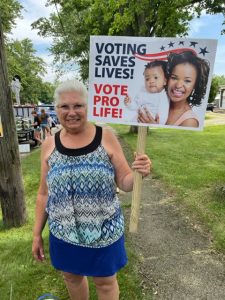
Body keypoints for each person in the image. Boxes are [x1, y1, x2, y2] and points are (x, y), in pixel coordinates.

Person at [32, 79, 151, 300]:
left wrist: (138, 173)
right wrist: (37, 233)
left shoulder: (105, 136)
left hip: (104, 230)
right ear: (56, 109)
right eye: (64, 107)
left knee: (105, 283)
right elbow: (43, 193)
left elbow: (124, 181)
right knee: (72, 278)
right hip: (63, 231)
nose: (71, 112)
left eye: (78, 105)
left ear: (89, 107)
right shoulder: (49, 144)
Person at [138, 51, 210, 128]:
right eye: (174, 78)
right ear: (166, 78)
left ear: (195, 85)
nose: (178, 85)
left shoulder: (190, 122)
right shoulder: (160, 100)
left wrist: (154, 128)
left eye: (187, 81)